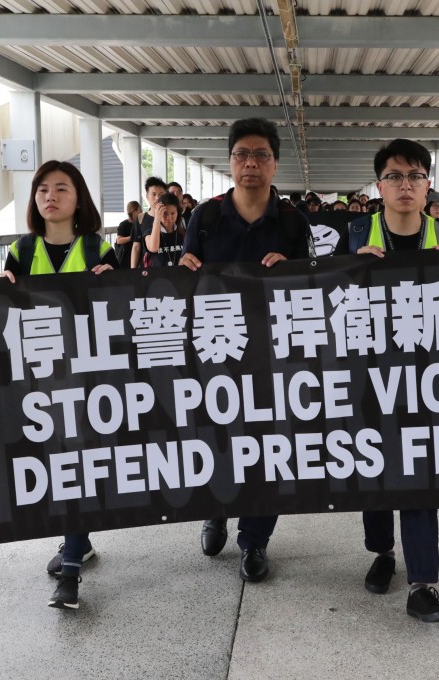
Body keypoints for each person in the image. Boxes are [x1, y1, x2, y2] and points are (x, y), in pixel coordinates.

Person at [179, 117, 311, 584]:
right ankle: (214, 510)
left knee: (270, 443)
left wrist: (294, 269)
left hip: (273, 355)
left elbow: (311, 288)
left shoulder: (294, 221)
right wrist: (183, 267)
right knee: (217, 437)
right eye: (241, 155)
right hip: (215, 351)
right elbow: (185, 279)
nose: (250, 163)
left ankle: (255, 540)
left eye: (260, 155)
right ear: (230, 161)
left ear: (275, 163)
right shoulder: (207, 216)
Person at [343, 138, 439, 623]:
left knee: (420, 478)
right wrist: (352, 270)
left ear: (428, 184)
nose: (405, 185)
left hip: (430, 379)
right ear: (379, 186)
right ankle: (382, 552)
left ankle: (423, 584)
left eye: (415, 176)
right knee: (374, 469)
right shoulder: (354, 233)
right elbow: (321, 299)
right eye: (395, 176)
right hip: (372, 377)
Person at [0, 160, 117, 610]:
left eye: (61, 188)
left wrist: (115, 284)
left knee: (77, 463)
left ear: (78, 198)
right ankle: (79, 541)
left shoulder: (96, 249)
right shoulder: (21, 251)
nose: (50, 196)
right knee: (60, 465)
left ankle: (70, 568)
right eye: (42, 189)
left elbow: (120, 314)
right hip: (39, 382)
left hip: (87, 381)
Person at [130, 176, 168, 269]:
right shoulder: (141, 218)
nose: (157, 198)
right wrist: (133, 271)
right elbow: (136, 247)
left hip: (170, 268)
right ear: (147, 196)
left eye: (161, 194)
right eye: (153, 194)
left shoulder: (171, 216)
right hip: (149, 270)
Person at [142, 192, 185, 268]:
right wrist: (157, 219)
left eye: (172, 213)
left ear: (178, 213)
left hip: (179, 277)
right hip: (157, 278)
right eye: (165, 213)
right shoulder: (149, 233)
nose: (168, 218)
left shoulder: (183, 233)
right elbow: (153, 248)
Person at [115, 200, 143, 269]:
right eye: (140, 209)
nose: (141, 211)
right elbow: (119, 240)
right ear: (134, 211)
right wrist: (133, 237)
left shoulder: (141, 223)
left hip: (138, 255)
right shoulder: (124, 224)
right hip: (126, 257)